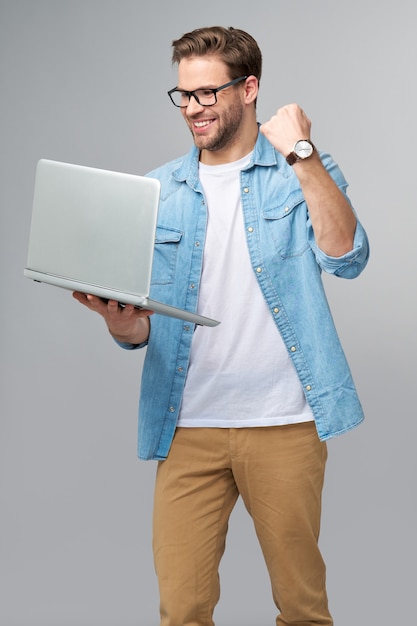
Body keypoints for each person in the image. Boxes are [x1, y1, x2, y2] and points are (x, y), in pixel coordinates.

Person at [73, 25, 369, 626]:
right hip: (188, 427)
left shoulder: (301, 170)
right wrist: (119, 322)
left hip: (284, 421)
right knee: (181, 609)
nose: (193, 109)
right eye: (183, 95)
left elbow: (348, 257)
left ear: (249, 88)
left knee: (302, 607)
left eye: (208, 93)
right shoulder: (159, 189)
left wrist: (303, 154)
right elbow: (144, 331)